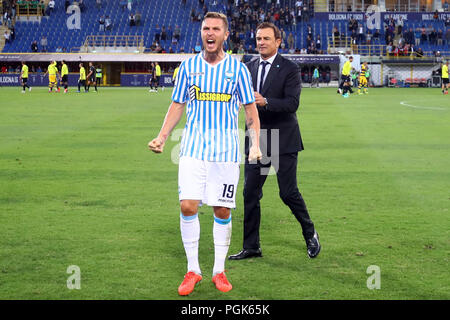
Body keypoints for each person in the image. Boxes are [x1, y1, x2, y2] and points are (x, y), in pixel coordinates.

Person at [148, 12, 261, 296]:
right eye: (205, 29)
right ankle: (193, 270)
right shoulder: (188, 68)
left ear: (225, 35)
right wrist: (162, 136)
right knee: (188, 205)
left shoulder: (238, 70)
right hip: (193, 149)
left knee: (221, 209)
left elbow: (250, 110)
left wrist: (257, 144)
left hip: (225, 153)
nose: (209, 33)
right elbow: (177, 104)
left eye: (215, 29)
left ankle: (219, 271)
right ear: (201, 33)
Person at [228, 22, 320, 262]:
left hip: (283, 138)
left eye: (266, 38)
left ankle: (310, 232)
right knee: (250, 193)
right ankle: (251, 246)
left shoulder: (290, 68)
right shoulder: (246, 67)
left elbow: (292, 104)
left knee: (288, 193)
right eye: (258, 38)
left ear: (278, 41)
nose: (261, 42)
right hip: (256, 138)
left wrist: (265, 101)